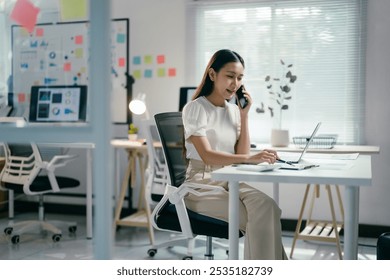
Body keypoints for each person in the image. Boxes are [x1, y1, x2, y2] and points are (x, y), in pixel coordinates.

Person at [182, 49, 287, 260]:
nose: (235, 83)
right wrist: (250, 158)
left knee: (269, 207)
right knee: (258, 217)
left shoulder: (233, 111)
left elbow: (241, 152)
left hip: (228, 181)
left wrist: (244, 115)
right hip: (200, 185)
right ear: (212, 75)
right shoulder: (195, 108)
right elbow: (208, 156)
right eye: (230, 76)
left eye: (239, 78)